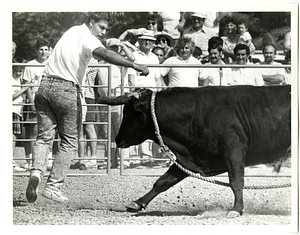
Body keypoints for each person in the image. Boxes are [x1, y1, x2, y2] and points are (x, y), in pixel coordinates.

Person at [25, 13, 149, 204]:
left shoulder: (71, 31)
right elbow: (105, 54)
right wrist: (133, 64)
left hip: (44, 87)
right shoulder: (87, 37)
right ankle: (53, 186)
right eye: (101, 27)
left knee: (43, 137)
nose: (104, 32)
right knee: (69, 141)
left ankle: (36, 173)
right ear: (91, 23)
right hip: (66, 89)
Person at [97, 38, 135, 169]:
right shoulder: (100, 62)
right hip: (105, 101)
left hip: (119, 100)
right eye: (111, 47)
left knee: (121, 130)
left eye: (116, 47)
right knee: (107, 133)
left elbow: (132, 58)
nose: (114, 50)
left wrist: (123, 45)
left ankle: (124, 160)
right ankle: (110, 160)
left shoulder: (122, 63)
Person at [127, 30, 163, 167]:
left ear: (153, 42)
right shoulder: (134, 56)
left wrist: (160, 93)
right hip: (138, 93)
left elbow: (157, 77)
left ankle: (147, 156)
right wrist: (134, 94)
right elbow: (131, 78)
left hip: (152, 95)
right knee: (136, 124)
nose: (147, 42)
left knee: (150, 125)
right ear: (139, 41)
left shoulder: (154, 57)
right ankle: (133, 158)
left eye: (150, 40)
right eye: (144, 40)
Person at [23, 38, 52, 171]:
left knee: (48, 129)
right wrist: (31, 101)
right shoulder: (30, 65)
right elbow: (27, 85)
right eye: (41, 49)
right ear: (36, 50)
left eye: (46, 49)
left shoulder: (52, 64)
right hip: (35, 99)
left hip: (48, 100)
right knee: (33, 130)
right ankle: (30, 159)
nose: (43, 52)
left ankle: (48, 158)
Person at [12, 57, 27, 172]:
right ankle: (10, 160)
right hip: (12, 109)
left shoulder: (20, 80)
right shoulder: (11, 80)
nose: (18, 73)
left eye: (20, 71)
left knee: (15, 136)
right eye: (16, 70)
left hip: (18, 109)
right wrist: (26, 87)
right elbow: (11, 96)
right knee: (12, 136)